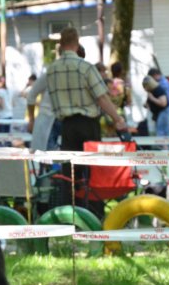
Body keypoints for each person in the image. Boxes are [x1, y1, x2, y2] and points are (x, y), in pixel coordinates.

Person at [46, 27, 127, 199]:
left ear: (61, 44)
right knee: (92, 172)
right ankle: (94, 211)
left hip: (66, 125)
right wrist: (117, 118)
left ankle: (71, 211)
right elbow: (102, 98)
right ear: (77, 43)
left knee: (70, 173)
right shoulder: (86, 67)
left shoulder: (52, 70)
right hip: (88, 124)